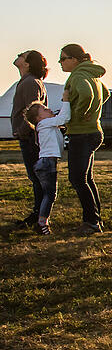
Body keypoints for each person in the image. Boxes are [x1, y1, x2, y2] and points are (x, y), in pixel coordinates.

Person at [59, 44, 110, 234]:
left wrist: (81, 113)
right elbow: (106, 94)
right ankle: (95, 219)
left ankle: (91, 222)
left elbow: (87, 94)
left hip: (82, 133)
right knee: (86, 178)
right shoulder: (91, 74)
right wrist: (94, 113)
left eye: (63, 59)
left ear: (74, 59)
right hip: (93, 131)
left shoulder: (78, 75)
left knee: (77, 178)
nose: (60, 63)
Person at [22, 94, 70, 235]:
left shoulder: (46, 124)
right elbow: (64, 118)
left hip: (46, 163)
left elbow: (62, 119)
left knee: (48, 194)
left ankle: (41, 221)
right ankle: (42, 224)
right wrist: (66, 101)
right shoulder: (44, 124)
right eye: (44, 109)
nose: (49, 109)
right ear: (39, 118)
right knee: (50, 195)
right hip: (46, 164)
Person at [11, 51, 48, 227]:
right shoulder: (29, 81)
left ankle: (38, 215)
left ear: (27, 63)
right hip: (29, 136)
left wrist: (21, 130)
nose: (18, 55)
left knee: (37, 177)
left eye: (22, 55)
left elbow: (35, 111)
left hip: (30, 137)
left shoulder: (30, 83)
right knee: (36, 177)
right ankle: (38, 213)